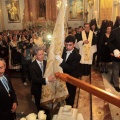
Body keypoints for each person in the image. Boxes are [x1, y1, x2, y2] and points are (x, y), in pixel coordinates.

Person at [29, 47, 56, 119]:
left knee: (46, 106)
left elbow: (49, 73)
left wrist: (52, 79)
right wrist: (47, 79)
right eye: (39, 55)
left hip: (46, 89)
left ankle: (47, 116)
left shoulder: (45, 62)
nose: (42, 56)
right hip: (37, 89)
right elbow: (35, 79)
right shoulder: (32, 66)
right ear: (35, 56)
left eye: (42, 54)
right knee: (40, 108)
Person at [55, 35, 81, 107]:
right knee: (63, 94)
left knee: (70, 95)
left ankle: (70, 108)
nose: (68, 47)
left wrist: (60, 60)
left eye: (70, 45)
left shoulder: (77, 56)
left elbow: (69, 68)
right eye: (66, 45)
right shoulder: (63, 50)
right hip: (62, 77)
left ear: (74, 44)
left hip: (71, 78)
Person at [107, 18, 120, 92]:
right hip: (116, 54)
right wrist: (114, 49)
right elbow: (109, 42)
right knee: (116, 69)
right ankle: (116, 85)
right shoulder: (114, 32)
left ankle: (112, 79)